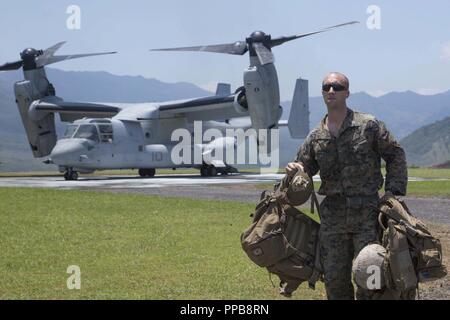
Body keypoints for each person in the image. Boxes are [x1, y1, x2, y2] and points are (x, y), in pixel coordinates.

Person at [285, 72, 408, 300]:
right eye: (327, 87)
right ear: (322, 93)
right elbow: (305, 166)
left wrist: (395, 191)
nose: (331, 90)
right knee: (334, 279)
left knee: (372, 276)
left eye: (337, 86)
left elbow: (395, 154)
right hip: (333, 218)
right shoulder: (315, 136)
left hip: (367, 215)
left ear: (347, 93)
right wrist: (297, 169)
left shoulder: (368, 125)